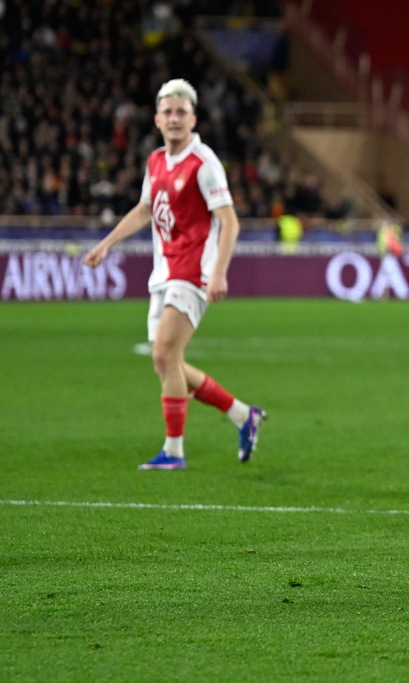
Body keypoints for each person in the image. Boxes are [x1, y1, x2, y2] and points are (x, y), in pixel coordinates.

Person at [83, 78, 266, 470]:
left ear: (194, 118)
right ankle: (241, 414)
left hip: (193, 272)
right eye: (167, 111)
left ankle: (174, 451)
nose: (174, 118)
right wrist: (106, 244)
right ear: (156, 119)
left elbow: (229, 223)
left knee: (165, 352)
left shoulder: (204, 164)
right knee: (169, 364)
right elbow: (144, 209)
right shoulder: (155, 161)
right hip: (163, 272)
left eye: (181, 112)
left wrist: (218, 273)